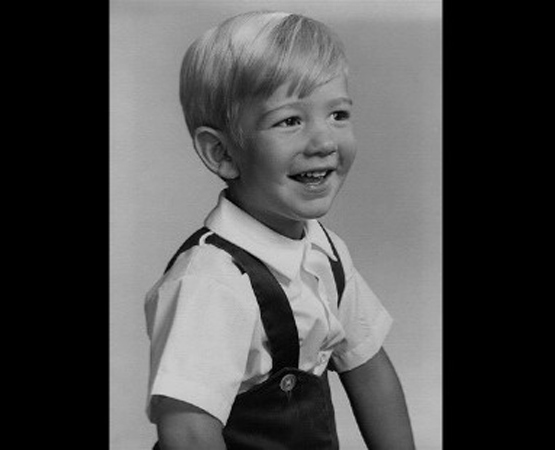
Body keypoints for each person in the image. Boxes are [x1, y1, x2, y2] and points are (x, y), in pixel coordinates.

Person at [144, 10, 416, 450]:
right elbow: (188, 432)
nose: (324, 142)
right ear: (222, 153)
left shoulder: (324, 250)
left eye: (338, 114)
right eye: (290, 120)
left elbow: (367, 364)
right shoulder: (211, 282)